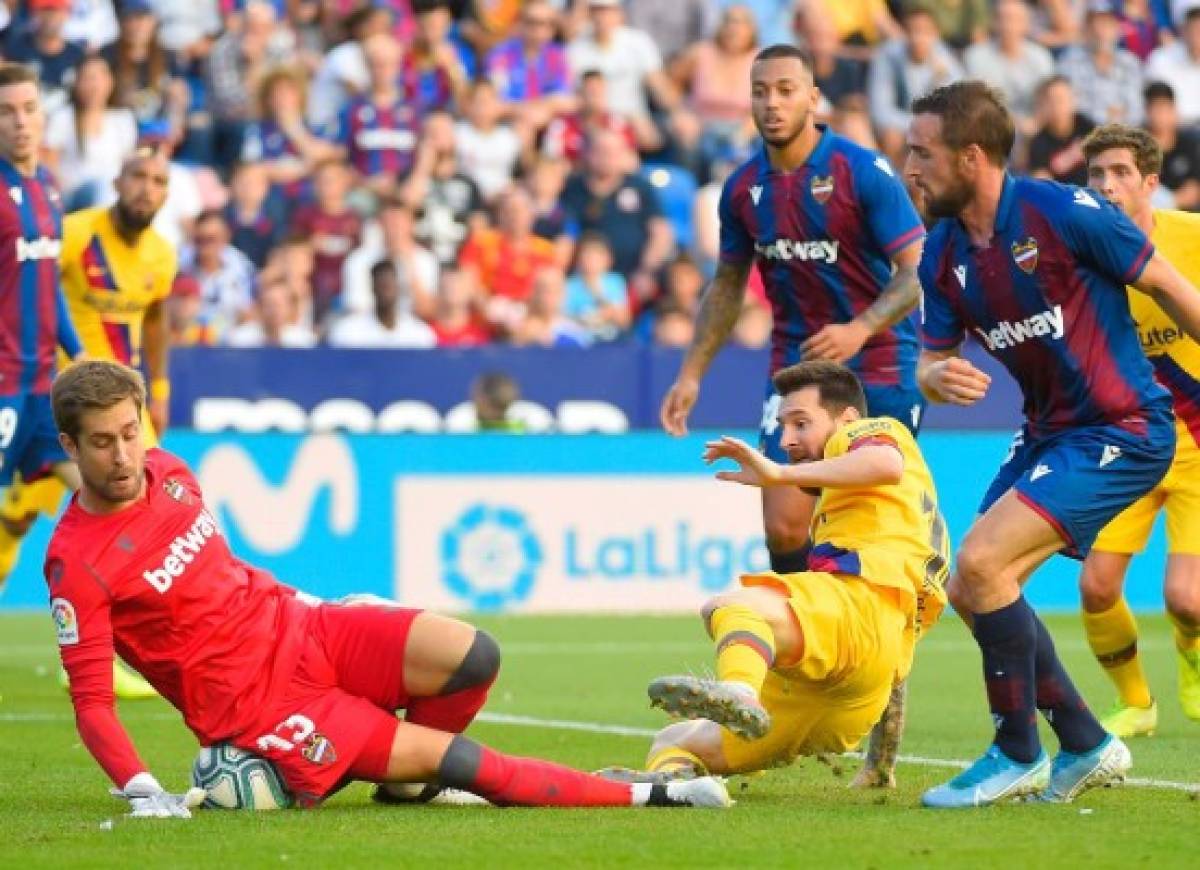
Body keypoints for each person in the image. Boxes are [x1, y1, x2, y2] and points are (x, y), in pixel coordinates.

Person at [45, 359, 731, 815]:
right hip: (261, 705)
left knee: (475, 656)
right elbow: (92, 703)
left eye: (131, 434)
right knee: (464, 762)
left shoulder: (168, 470)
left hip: (305, 627)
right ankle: (651, 800)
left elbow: (222, 575)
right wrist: (139, 788)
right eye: (102, 442)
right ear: (71, 449)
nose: (124, 455)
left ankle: (402, 782)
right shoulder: (77, 563)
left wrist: (312, 607)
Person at [907, 80, 1200, 808]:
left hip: (1123, 427)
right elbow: (929, 359)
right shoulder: (942, 251)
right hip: (1049, 431)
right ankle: (1083, 741)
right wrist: (937, 377)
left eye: (922, 152)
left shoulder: (1064, 212)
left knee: (981, 561)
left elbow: (1165, 282)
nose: (910, 167)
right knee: (966, 586)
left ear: (971, 157)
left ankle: (1016, 751)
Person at [659, 44, 927, 786]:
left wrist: (861, 327)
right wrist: (692, 371)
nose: (772, 102)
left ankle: (881, 725)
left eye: (786, 90)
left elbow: (916, 273)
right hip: (794, 377)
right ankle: (796, 667)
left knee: (874, 549)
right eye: (759, 91)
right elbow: (726, 284)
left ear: (814, 98)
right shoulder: (744, 189)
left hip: (872, 374)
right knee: (782, 525)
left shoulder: (861, 173)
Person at [606, 361, 946, 787]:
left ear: (847, 419)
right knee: (674, 740)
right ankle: (683, 790)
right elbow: (886, 652)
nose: (787, 440)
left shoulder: (872, 431)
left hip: (855, 614)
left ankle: (741, 693)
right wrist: (880, 764)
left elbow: (884, 462)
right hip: (854, 700)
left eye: (801, 423)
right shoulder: (875, 514)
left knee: (732, 607)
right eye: (782, 426)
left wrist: (779, 474)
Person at [1077, 124, 1200, 736]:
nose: (1106, 186)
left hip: (1197, 449)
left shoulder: (1190, 237)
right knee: (1096, 586)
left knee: (1187, 599)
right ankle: (1137, 704)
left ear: (1150, 182)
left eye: (1120, 173)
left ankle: (1191, 656)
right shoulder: (1081, 259)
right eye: (1096, 175)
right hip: (1127, 445)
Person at [0, 62, 85, 595]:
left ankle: (111, 650)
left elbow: (47, 280)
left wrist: (79, 355)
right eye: (6, 112)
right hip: (3, 385)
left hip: (43, 389)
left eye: (29, 109)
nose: (20, 121)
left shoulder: (48, 186)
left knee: (102, 498)